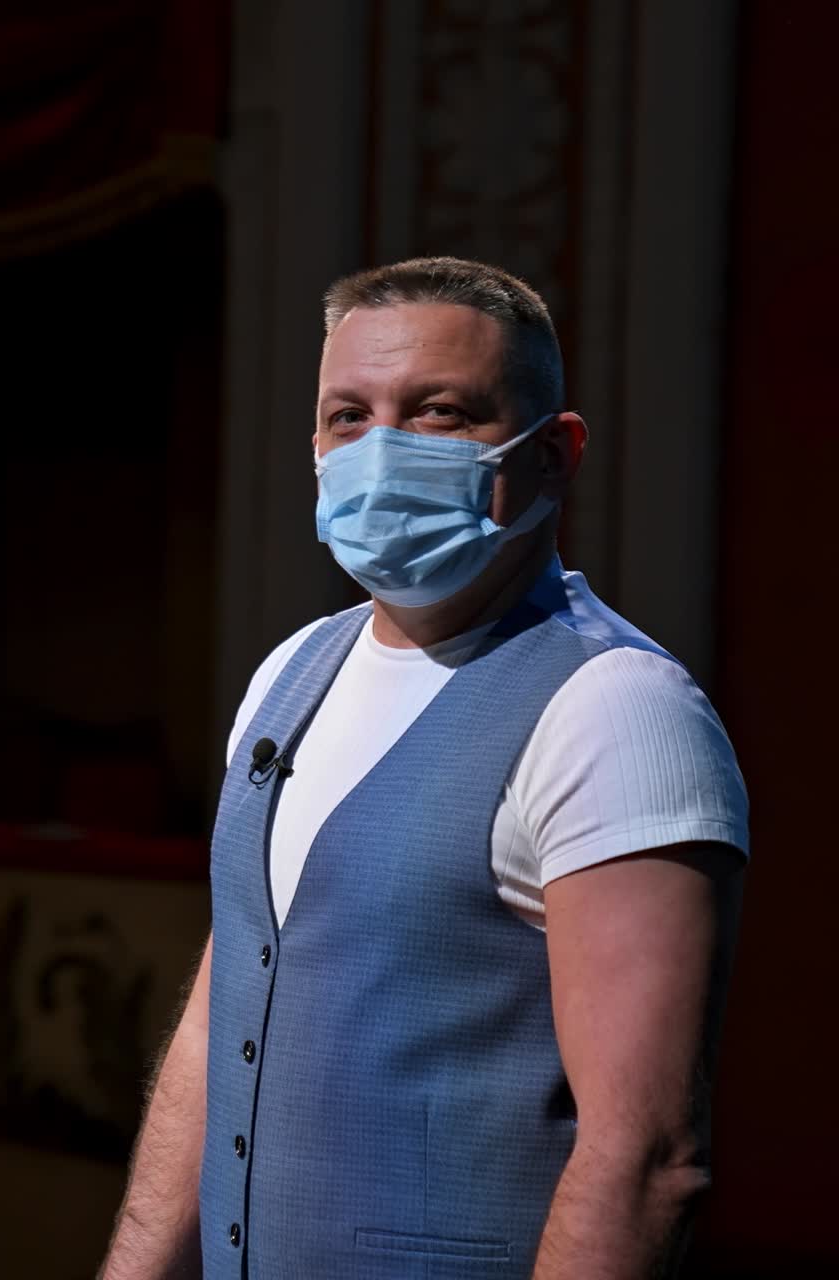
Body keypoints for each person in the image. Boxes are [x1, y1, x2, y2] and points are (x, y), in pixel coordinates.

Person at [99, 257, 748, 1279]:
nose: (382, 450)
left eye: (438, 412)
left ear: (553, 453)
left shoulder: (616, 709)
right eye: (348, 417)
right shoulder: (289, 673)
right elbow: (226, 1015)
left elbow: (644, 1161)